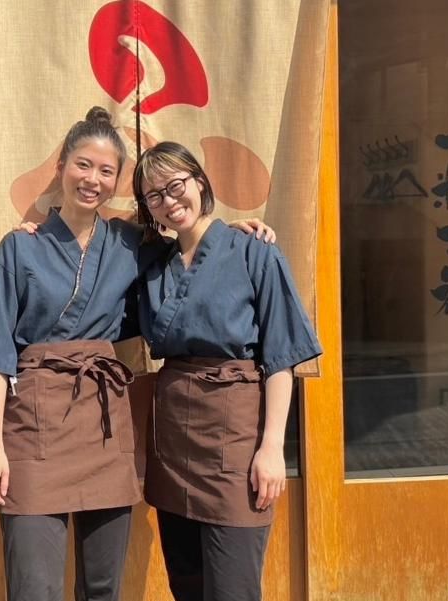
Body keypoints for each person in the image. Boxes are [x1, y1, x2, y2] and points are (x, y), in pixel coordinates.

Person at [0, 108, 273, 601]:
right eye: (83, 165)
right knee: (33, 587)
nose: (93, 180)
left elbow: (195, 251)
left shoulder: (131, 244)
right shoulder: (17, 250)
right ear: (61, 166)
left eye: (107, 171)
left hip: (103, 425)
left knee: (103, 586)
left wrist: (235, 231)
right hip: (33, 428)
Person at [133, 141, 322, 601]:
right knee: (187, 582)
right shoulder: (153, 265)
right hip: (173, 440)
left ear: (200, 182)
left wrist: (271, 448)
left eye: (175, 185)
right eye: (154, 195)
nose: (168, 201)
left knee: (232, 587)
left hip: (236, 439)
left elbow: (281, 357)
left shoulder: (255, 251)